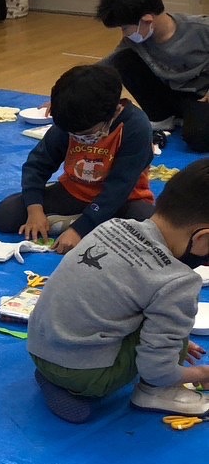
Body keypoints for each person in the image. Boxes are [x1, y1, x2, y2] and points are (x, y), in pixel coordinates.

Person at [27, 157, 209, 423]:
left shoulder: (111, 225)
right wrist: (201, 373)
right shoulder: (178, 281)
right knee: (170, 327)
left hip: (39, 346)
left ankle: (56, 377)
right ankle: (152, 394)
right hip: (86, 374)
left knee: (157, 314)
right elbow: (157, 370)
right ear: (204, 238)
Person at [0, 63, 154, 254]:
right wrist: (34, 209)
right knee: (5, 216)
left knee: (149, 228)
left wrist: (79, 230)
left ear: (113, 113)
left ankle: (80, 223)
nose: (78, 138)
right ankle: (93, 226)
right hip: (73, 192)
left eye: (86, 134)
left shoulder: (136, 127)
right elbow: (37, 165)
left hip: (122, 201)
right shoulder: (71, 120)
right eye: (73, 134)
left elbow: (118, 189)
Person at [96, 0, 209, 151]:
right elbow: (104, 68)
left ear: (147, 20)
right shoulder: (134, 41)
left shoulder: (201, 29)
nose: (124, 34)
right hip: (169, 93)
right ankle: (164, 118)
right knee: (122, 59)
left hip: (200, 96)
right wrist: (74, 87)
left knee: (199, 138)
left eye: (125, 27)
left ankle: (189, 118)